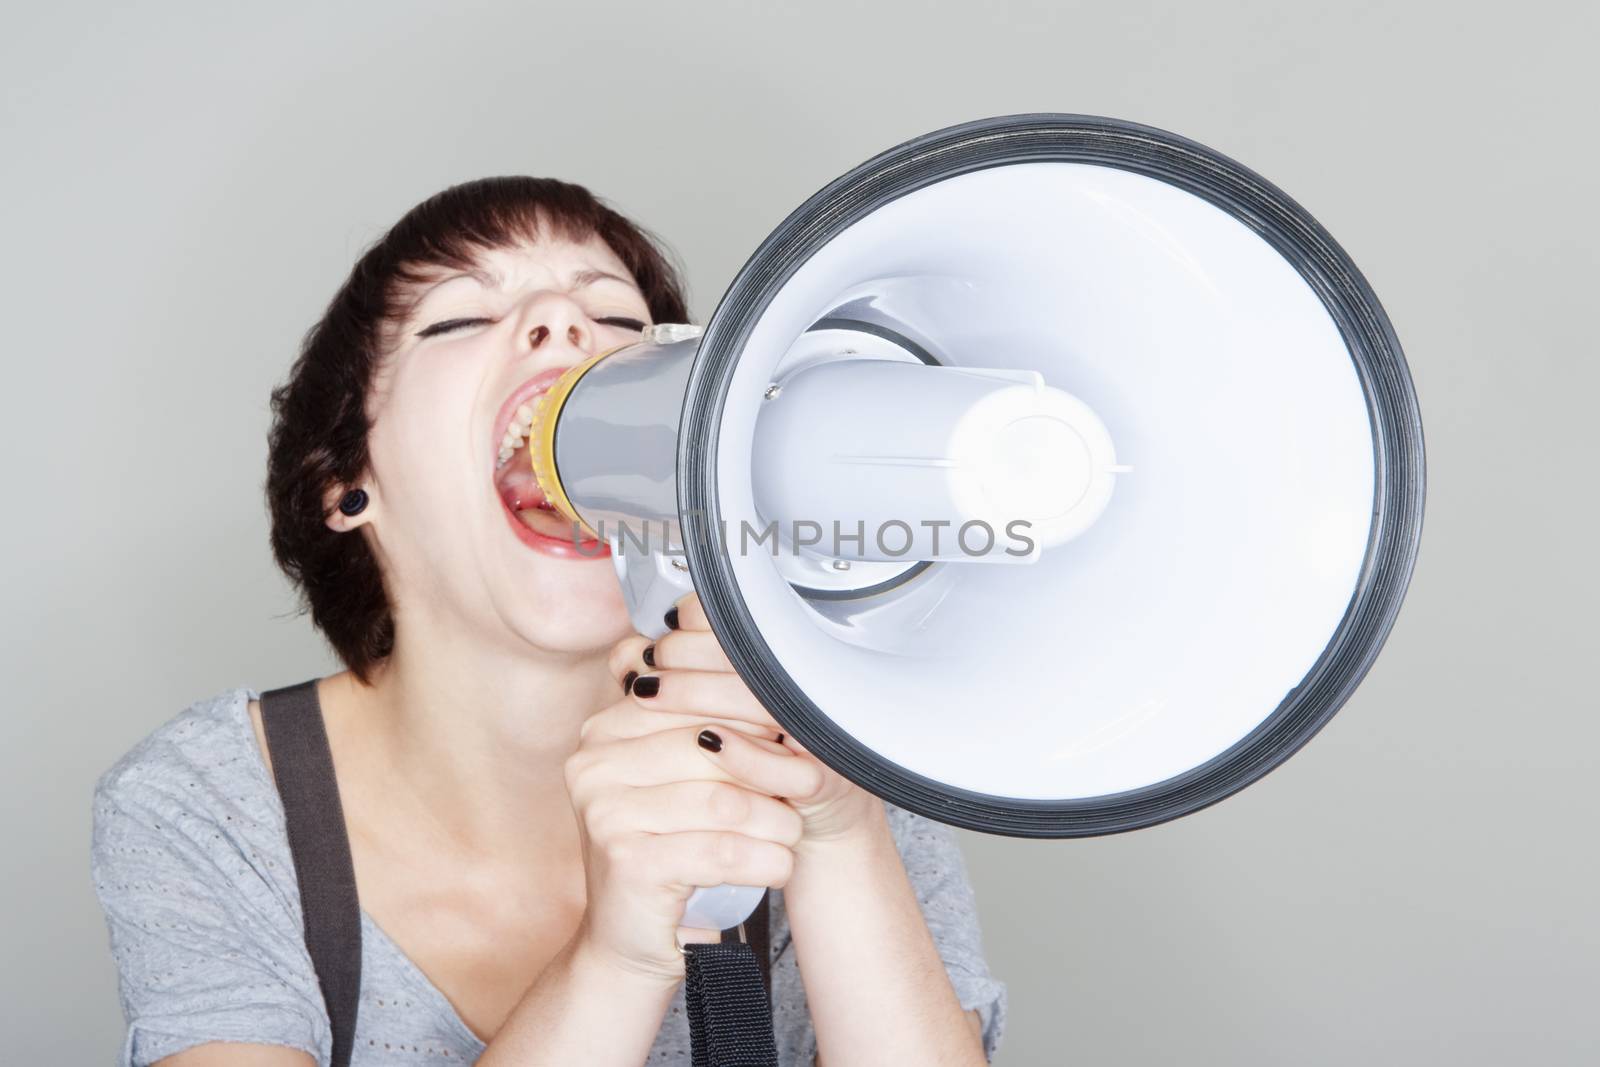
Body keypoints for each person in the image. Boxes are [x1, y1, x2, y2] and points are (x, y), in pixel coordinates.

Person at [89, 177, 1007, 1066]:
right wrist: (617, 960)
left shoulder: (840, 745)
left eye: (615, 322)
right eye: (458, 318)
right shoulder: (207, 805)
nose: (564, 325)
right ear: (346, 484)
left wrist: (839, 831)